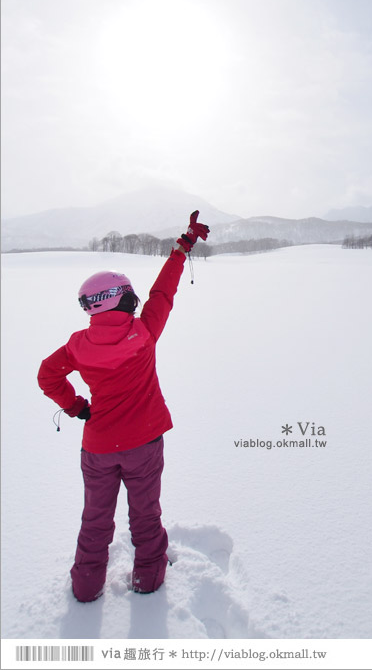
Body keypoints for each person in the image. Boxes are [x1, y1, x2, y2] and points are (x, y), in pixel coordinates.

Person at [37, 211, 209, 603]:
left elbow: (47, 376)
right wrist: (182, 248)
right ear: (122, 299)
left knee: (95, 520)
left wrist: (78, 407)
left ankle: (85, 587)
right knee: (145, 517)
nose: (135, 300)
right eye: (129, 294)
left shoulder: (78, 345)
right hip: (144, 445)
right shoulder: (143, 333)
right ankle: (147, 580)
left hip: (97, 449)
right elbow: (163, 294)